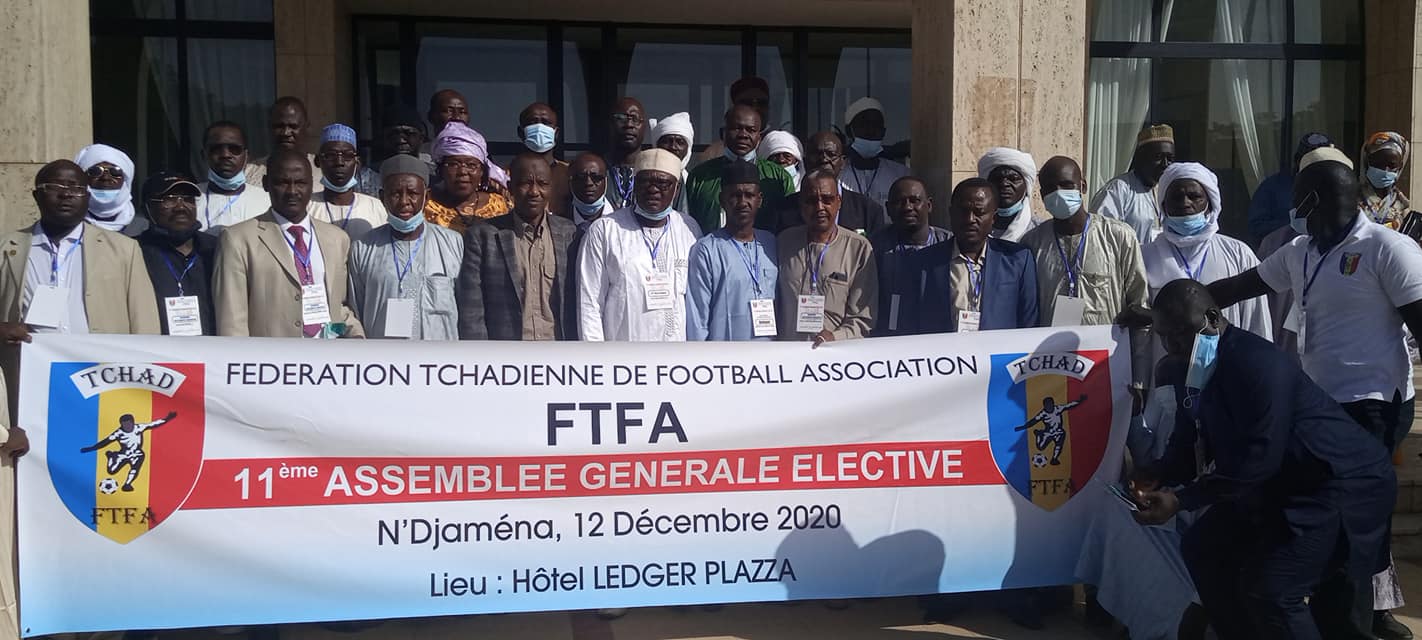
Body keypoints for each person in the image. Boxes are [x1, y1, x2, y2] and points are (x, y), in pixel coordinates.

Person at [1209, 146, 1422, 640]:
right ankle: (1336, 619)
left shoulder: (1388, 249)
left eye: (1298, 197)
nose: (1291, 206)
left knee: (1352, 526)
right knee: (1333, 523)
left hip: (1374, 406)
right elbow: (1239, 287)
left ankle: (1355, 626)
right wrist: (1171, 302)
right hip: (1321, 407)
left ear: (1316, 200)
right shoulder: (1301, 251)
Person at [1133, 279, 1396, 640]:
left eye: (1181, 333)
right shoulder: (1191, 368)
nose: (1174, 346)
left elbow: (1259, 456)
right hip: (1279, 484)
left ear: (1213, 317)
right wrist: (1158, 474)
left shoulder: (1256, 362)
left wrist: (1182, 500)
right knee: (1203, 548)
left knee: (1273, 590)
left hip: (1338, 486)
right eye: (1165, 336)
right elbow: (1188, 437)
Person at [1026, 156, 1150, 410]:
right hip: (1052, 366)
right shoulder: (1032, 243)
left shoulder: (1119, 236)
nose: (1058, 194)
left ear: (1082, 186)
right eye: (1050, 188)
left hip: (1110, 365)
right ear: (1042, 195)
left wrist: (1139, 379)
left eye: (1066, 185)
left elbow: (1140, 309)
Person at [0, 159, 160, 338]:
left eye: (76, 188)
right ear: (37, 196)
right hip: (30, 354)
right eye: (55, 187)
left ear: (87, 197)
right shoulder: (6, 248)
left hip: (100, 355)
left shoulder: (124, 249)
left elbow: (144, 319)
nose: (66, 194)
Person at [213, 149, 363, 338]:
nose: (292, 191)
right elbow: (232, 322)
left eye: (300, 183)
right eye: (282, 182)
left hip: (327, 353)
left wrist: (356, 336)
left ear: (312, 185)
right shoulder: (237, 240)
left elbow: (337, 306)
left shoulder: (337, 239)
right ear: (266, 184)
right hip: (272, 356)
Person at [578, 149, 700, 342]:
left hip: (677, 355)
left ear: (676, 189)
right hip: (624, 355)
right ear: (635, 184)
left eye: (663, 183)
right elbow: (589, 303)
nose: (653, 189)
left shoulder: (689, 229)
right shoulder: (605, 230)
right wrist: (596, 356)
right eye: (645, 181)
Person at [1143, 162, 1271, 340]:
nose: (1185, 203)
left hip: (1226, 356)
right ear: (1164, 206)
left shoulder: (1238, 253)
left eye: (1194, 196)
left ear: (1210, 204)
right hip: (1162, 357)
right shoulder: (1144, 256)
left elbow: (1257, 322)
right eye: (1176, 197)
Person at [460, 154, 577, 341]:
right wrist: (480, 353)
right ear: (510, 187)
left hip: (559, 351)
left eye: (542, 184)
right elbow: (472, 309)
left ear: (551, 188)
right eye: (525, 183)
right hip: (507, 353)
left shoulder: (569, 234)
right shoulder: (483, 236)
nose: (534, 191)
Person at [347, 155, 462, 340]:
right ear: (382, 197)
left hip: (439, 356)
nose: (404, 201)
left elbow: (466, 310)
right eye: (395, 194)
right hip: (383, 356)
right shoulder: (363, 247)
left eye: (413, 193)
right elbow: (356, 311)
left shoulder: (453, 243)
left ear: (426, 197)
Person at [910, 178, 1039, 333]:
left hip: (998, 348)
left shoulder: (1017, 260)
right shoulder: (924, 262)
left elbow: (1029, 322)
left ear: (994, 217)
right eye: (963, 211)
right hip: (944, 348)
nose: (970, 219)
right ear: (951, 213)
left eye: (979, 213)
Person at [776, 169, 877, 344]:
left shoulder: (858, 248)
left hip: (835, 353)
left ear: (839, 202)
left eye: (827, 200)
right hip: (788, 352)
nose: (820, 207)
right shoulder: (783, 242)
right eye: (811, 201)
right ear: (801, 205)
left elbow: (863, 319)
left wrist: (835, 337)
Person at [686, 160, 778, 341]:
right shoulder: (706, 250)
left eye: (749, 195)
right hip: (725, 355)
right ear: (722, 200)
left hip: (769, 353)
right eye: (735, 196)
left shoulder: (771, 243)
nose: (742, 202)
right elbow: (697, 319)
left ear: (759, 200)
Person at [685, 105, 795, 233]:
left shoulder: (779, 177)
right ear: (723, 133)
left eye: (751, 130)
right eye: (736, 128)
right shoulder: (700, 176)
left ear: (759, 138)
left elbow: (790, 224)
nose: (743, 135)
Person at [135, 171, 218, 336]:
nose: (180, 207)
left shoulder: (215, 249)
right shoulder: (135, 251)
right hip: (157, 348)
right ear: (146, 209)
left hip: (213, 348)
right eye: (169, 199)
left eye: (188, 199)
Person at [869, 176, 950, 336]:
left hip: (938, 338)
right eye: (899, 202)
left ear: (929, 205)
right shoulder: (873, 247)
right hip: (889, 338)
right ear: (888, 208)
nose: (907, 207)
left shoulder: (948, 244)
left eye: (915, 200)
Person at [776, 131, 888, 236]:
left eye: (831, 154)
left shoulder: (869, 210)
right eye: (817, 154)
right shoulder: (782, 210)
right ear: (805, 162)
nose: (824, 160)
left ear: (842, 162)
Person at [1091, 124, 1175, 246]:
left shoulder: (1167, 191)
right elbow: (1099, 235)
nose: (1165, 164)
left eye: (1170, 158)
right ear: (1140, 157)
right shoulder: (1118, 190)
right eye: (1158, 157)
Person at [424, 122, 512, 234]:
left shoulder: (500, 205)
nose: (463, 172)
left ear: (482, 171)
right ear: (441, 169)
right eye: (454, 164)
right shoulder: (425, 204)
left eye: (471, 165)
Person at [1248, 132, 1334, 244]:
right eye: (1312, 161)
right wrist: (1295, 226)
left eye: (1325, 161)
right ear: (1298, 160)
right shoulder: (1273, 187)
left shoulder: (1338, 189)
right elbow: (1256, 227)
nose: (1318, 167)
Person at [309, 124, 387, 239]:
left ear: (357, 163)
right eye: (331, 155)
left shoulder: (376, 207)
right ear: (318, 161)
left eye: (347, 156)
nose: (339, 162)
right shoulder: (307, 207)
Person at [197, 121, 271, 234]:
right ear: (204, 155)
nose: (225, 155)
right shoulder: (190, 201)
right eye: (216, 149)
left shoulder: (267, 201)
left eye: (234, 149)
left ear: (246, 156)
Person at [839, 97, 909, 208]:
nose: (870, 130)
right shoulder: (838, 174)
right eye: (864, 124)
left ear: (884, 132)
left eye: (876, 125)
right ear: (849, 130)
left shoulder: (900, 174)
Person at [244, 96, 323, 188]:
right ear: (269, 127)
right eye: (279, 126)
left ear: (307, 127)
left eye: (293, 126)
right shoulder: (249, 173)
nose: (286, 133)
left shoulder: (324, 172)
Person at [356, 104, 430, 198]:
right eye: (393, 134)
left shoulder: (433, 174)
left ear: (421, 138)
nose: (401, 140)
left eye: (408, 133)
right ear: (383, 138)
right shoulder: (364, 179)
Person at [74, 144, 143, 236]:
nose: (105, 178)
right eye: (96, 171)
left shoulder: (143, 227)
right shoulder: (68, 225)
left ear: (126, 179)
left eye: (115, 171)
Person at [518, 102, 571, 216]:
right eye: (533, 122)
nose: (539, 128)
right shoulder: (507, 175)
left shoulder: (570, 173)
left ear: (556, 133)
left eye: (546, 123)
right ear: (521, 132)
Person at [978, 147, 1040, 242]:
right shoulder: (972, 229)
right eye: (997, 179)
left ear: (1026, 186)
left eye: (1013, 179)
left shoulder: (1039, 231)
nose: (1004, 184)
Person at [1359, 131, 1412, 230]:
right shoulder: (1349, 199)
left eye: (1392, 165)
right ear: (1367, 161)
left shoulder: (1402, 204)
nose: (1385, 170)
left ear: (1400, 167)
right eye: (1378, 163)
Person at [606, 97, 648, 210]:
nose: (629, 124)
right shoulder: (597, 172)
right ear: (611, 124)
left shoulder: (654, 171)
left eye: (635, 119)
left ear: (644, 126)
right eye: (621, 118)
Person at [649, 112, 694, 214]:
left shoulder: (692, 182)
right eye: (667, 141)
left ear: (688, 148)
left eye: (680, 142)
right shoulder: (644, 179)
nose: (673, 147)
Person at [568, 152, 614, 231]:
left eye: (596, 178)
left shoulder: (621, 221)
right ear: (570, 182)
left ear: (606, 181)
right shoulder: (557, 221)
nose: (588, 183)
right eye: (581, 177)